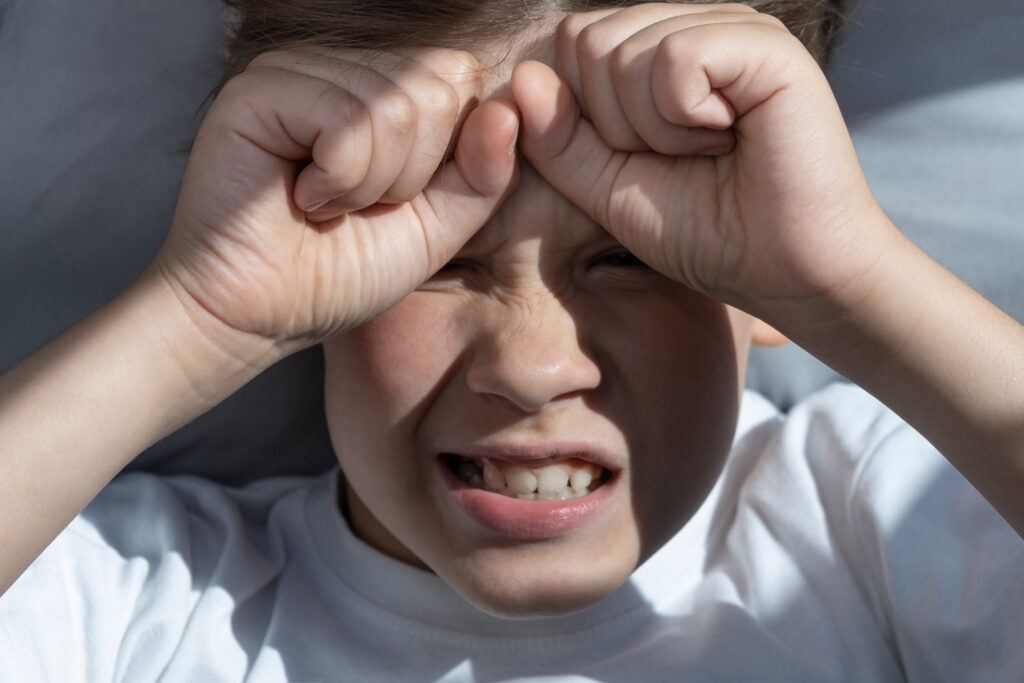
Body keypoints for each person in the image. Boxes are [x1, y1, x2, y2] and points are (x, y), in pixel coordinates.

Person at [1, 0, 1022, 680]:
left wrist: (845, 282)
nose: (534, 366)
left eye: (631, 256)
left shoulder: (865, 519)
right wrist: (197, 318)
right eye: (438, 262)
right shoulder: (143, 592)